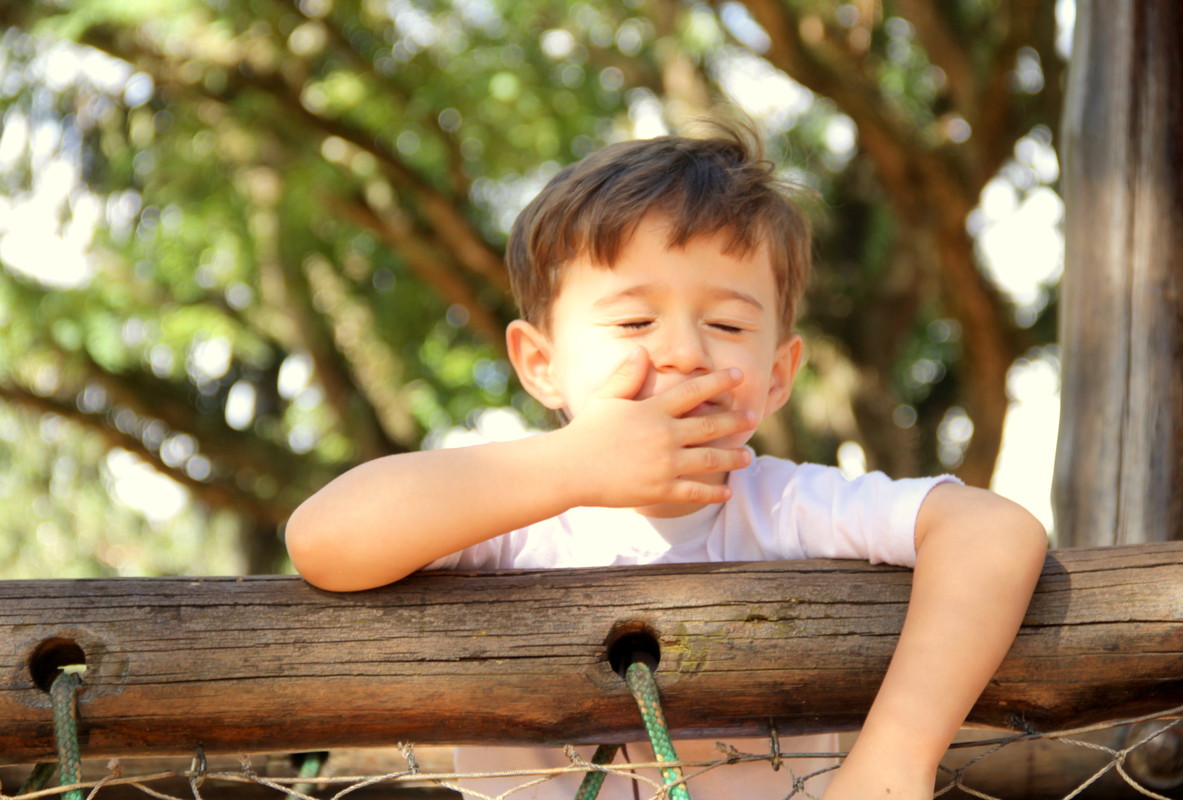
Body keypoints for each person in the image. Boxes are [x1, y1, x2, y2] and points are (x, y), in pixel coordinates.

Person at [285, 125, 1048, 800]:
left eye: (724, 322)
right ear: (540, 363)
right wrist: (571, 466)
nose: (684, 352)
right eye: (634, 320)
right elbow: (322, 540)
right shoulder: (513, 517)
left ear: (779, 374)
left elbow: (992, 531)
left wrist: (893, 763)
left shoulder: (786, 507)